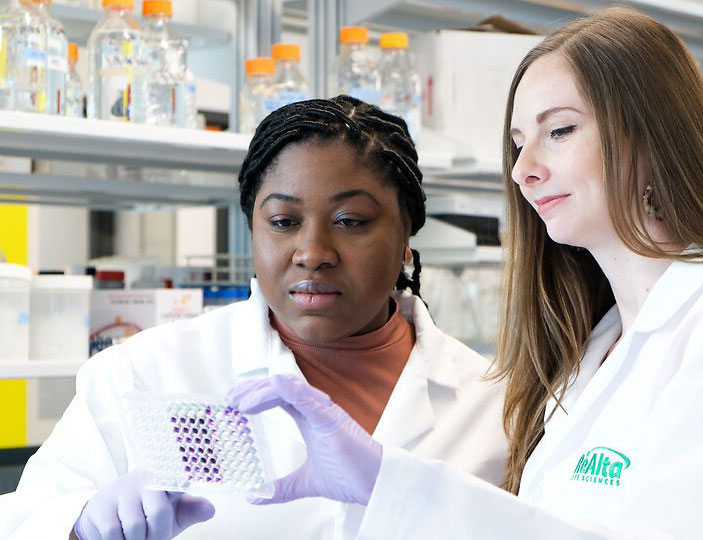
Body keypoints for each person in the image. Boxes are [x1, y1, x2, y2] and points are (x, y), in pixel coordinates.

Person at [228, 8, 703, 539]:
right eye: (516, 143)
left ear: (651, 134)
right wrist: (384, 485)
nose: (522, 168)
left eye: (558, 130)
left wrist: (385, 481)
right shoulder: (592, 348)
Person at [0, 96, 508, 539]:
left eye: (351, 221)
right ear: (253, 231)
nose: (312, 252)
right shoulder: (143, 373)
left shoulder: (497, 402)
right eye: (283, 222)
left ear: (406, 239)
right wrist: (79, 525)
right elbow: (23, 522)